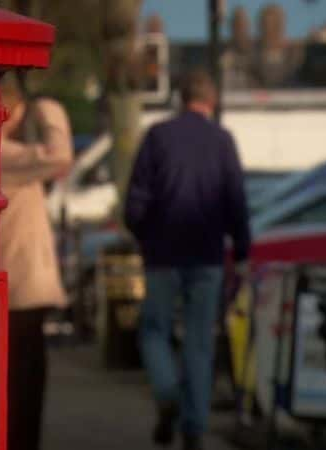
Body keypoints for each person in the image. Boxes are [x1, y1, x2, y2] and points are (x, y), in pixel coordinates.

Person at [124, 69, 251, 450]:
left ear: (180, 98)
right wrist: (242, 251)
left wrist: (144, 236)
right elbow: (236, 202)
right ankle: (194, 428)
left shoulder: (157, 136)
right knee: (199, 341)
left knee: (154, 331)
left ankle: (167, 393)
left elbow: (135, 204)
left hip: (163, 254)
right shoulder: (222, 141)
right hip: (207, 256)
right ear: (211, 103)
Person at [0, 79, 73, 450]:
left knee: (20, 382)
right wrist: (48, 109)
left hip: (16, 286)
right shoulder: (0, 153)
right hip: (20, 289)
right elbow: (59, 155)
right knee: (24, 386)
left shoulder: (1, 153)